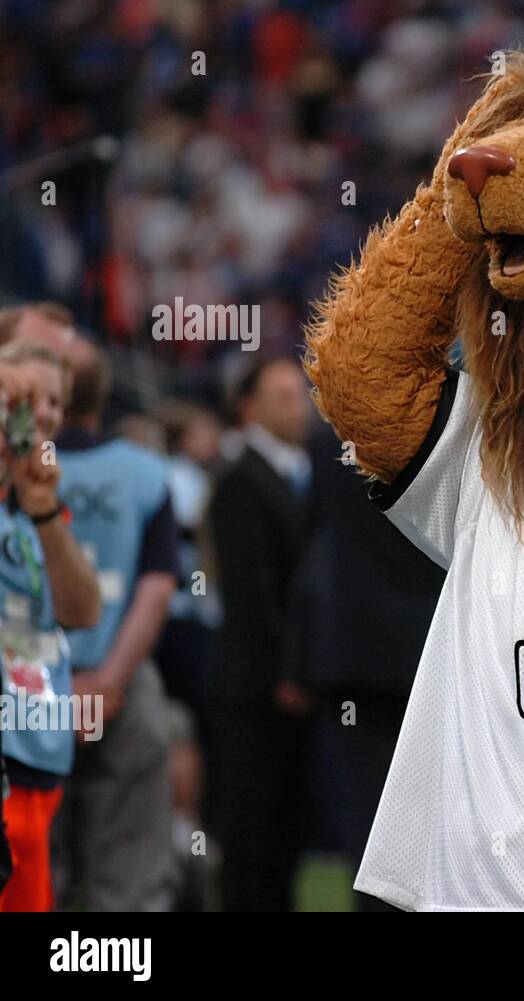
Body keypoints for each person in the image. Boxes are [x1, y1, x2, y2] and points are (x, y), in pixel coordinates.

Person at [32, 335, 182, 912]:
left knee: (37, 861)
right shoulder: (145, 473)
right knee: (130, 876)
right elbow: (157, 585)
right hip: (121, 685)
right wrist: (109, 682)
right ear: (102, 397)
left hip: (28, 690)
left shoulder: (19, 471)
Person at [298, 419, 444, 910]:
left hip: (354, 654)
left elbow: (313, 548)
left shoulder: (326, 441)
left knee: (368, 824)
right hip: (430, 653)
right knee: (437, 825)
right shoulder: (454, 430)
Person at [0, 341, 101, 911]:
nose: (43, 415)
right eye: (28, 399)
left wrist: (41, 511)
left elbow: (83, 610)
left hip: (39, 749)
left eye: (56, 404)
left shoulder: (41, 501)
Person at [209, 356, 311, 911]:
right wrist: (286, 673)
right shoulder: (241, 480)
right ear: (248, 407)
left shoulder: (291, 475)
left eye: (301, 394)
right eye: (283, 396)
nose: (299, 407)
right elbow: (252, 596)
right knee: (253, 835)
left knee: (283, 833)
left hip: (282, 688)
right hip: (258, 692)